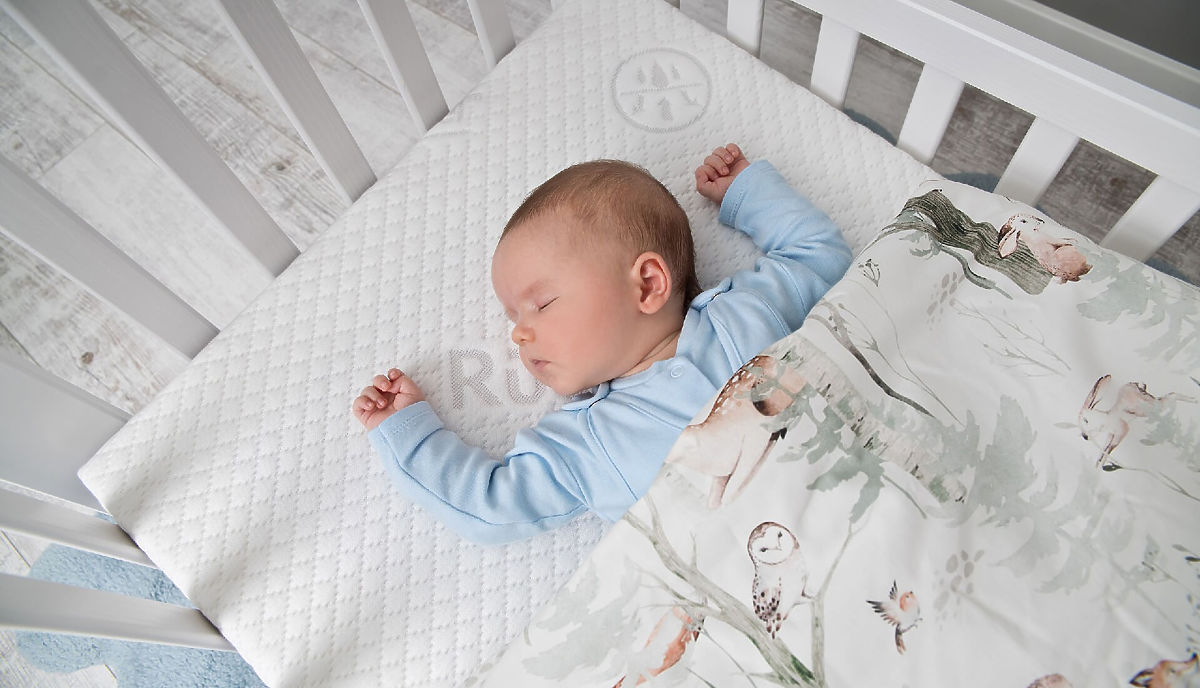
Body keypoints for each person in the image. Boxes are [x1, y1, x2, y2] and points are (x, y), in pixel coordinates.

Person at [352, 143, 851, 544]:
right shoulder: (588, 443)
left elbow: (819, 255)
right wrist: (409, 433)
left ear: (647, 284)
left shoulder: (743, 316)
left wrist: (747, 192)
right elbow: (492, 507)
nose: (518, 333)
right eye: (513, 317)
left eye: (542, 303)